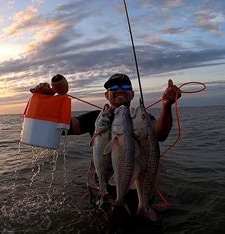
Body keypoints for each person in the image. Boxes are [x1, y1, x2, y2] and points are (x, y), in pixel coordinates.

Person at [30, 73, 181, 223]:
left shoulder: (141, 118)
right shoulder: (98, 118)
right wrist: (46, 101)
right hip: (103, 192)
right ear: (106, 95)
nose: (120, 89)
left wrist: (166, 106)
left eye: (126, 86)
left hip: (137, 192)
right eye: (114, 87)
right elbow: (62, 128)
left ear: (132, 94)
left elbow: (160, 134)